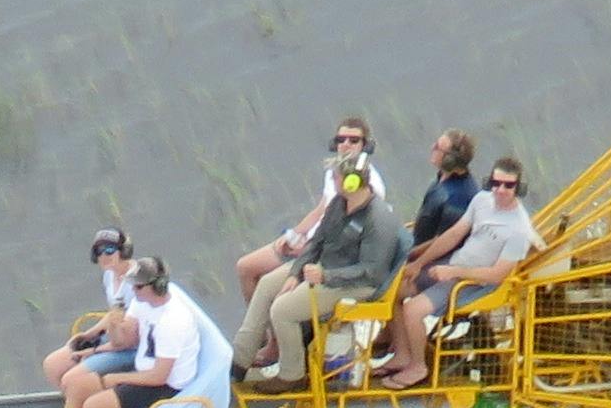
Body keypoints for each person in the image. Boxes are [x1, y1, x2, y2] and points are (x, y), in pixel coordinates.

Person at [22, 256, 228, 408]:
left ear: (155, 286)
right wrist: (115, 325)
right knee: (77, 384)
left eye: (137, 286)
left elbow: (160, 376)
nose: (133, 290)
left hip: (165, 386)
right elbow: (124, 343)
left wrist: (115, 378)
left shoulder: (173, 321)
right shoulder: (143, 302)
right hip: (145, 373)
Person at [235, 154, 408, 384]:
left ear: (351, 182)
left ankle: (291, 374)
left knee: (282, 310)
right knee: (267, 284)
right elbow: (317, 241)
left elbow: (372, 272)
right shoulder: (339, 203)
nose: (332, 181)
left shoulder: (379, 218)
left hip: (356, 284)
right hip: (327, 270)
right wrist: (296, 273)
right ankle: (239, 359)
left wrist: (325, 275)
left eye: (336, 177)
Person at [373, 152, 537, 385]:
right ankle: (402, 354)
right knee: (393, 290)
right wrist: (419, 263)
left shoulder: (519, 229)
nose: (500, 190)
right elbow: (453, 234)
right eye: (495, 183)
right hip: (454, 265)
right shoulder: (481, 200)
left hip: (474, 282)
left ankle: (418, 367)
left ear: (518, 188)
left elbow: (497, 274)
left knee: (413, 311)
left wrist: (454, 272)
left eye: (508, 185)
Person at [230, 115, 383, 298]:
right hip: (308, 244)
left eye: (354, 140)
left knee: (272, 290)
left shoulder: (371, 186)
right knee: (245, 267)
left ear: (366, 146)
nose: (346, 144)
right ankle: (262, 327)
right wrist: (294, 235)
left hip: (322, 256)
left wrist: (307, 248)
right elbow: (320, 210)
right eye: (341, 140)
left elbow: (351, 237)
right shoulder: (335, 173)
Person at [43, 226, 143, 395]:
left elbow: (129, 340)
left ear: (124, 251)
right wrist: (89, 334)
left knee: (71, 380)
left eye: (110, 250)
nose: (104, 256)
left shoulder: (137, 283)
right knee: (52, 364)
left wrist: (93, 351)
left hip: (132, 347)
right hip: (114, 335)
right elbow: (114, 314)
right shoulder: (109, 275)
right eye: (99, 251)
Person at [399, 131, 478, 265]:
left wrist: (406, 256)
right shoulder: (441, 177)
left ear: (450, 160)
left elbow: (442, 241)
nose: (432, 148)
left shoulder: (459, 196)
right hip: (415, 243)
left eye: (437, 147)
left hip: (433, 259)